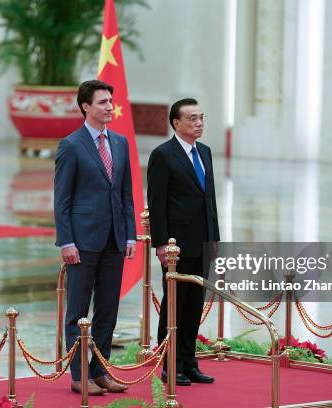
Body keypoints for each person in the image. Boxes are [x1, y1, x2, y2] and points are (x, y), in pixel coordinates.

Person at [54, 80, 136, 396]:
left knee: (107, 310)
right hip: (83, 242)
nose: (109, 106)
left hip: (115, 240)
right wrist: (67, 241)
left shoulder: (119, 143)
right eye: (102, 101)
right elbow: (62, 199)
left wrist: (129, 235)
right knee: (77, 312)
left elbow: (126, 194)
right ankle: (78, 376)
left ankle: (100, 371)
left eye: (110, 101)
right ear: (86, 106)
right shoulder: (71, 145)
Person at [147, 98, 220, 386]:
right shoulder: (163, 155)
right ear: (176, 123)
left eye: (201, 117)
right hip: (176, 246)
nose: (199, 123)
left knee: (194, 306)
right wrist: (162, 243)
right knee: (174, 306)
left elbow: (209, 199)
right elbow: (157, 202)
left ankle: (189, 363)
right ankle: (170, 364)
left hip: (202, 240)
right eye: (192, 118)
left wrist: (214, 237)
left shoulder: (205, 152)